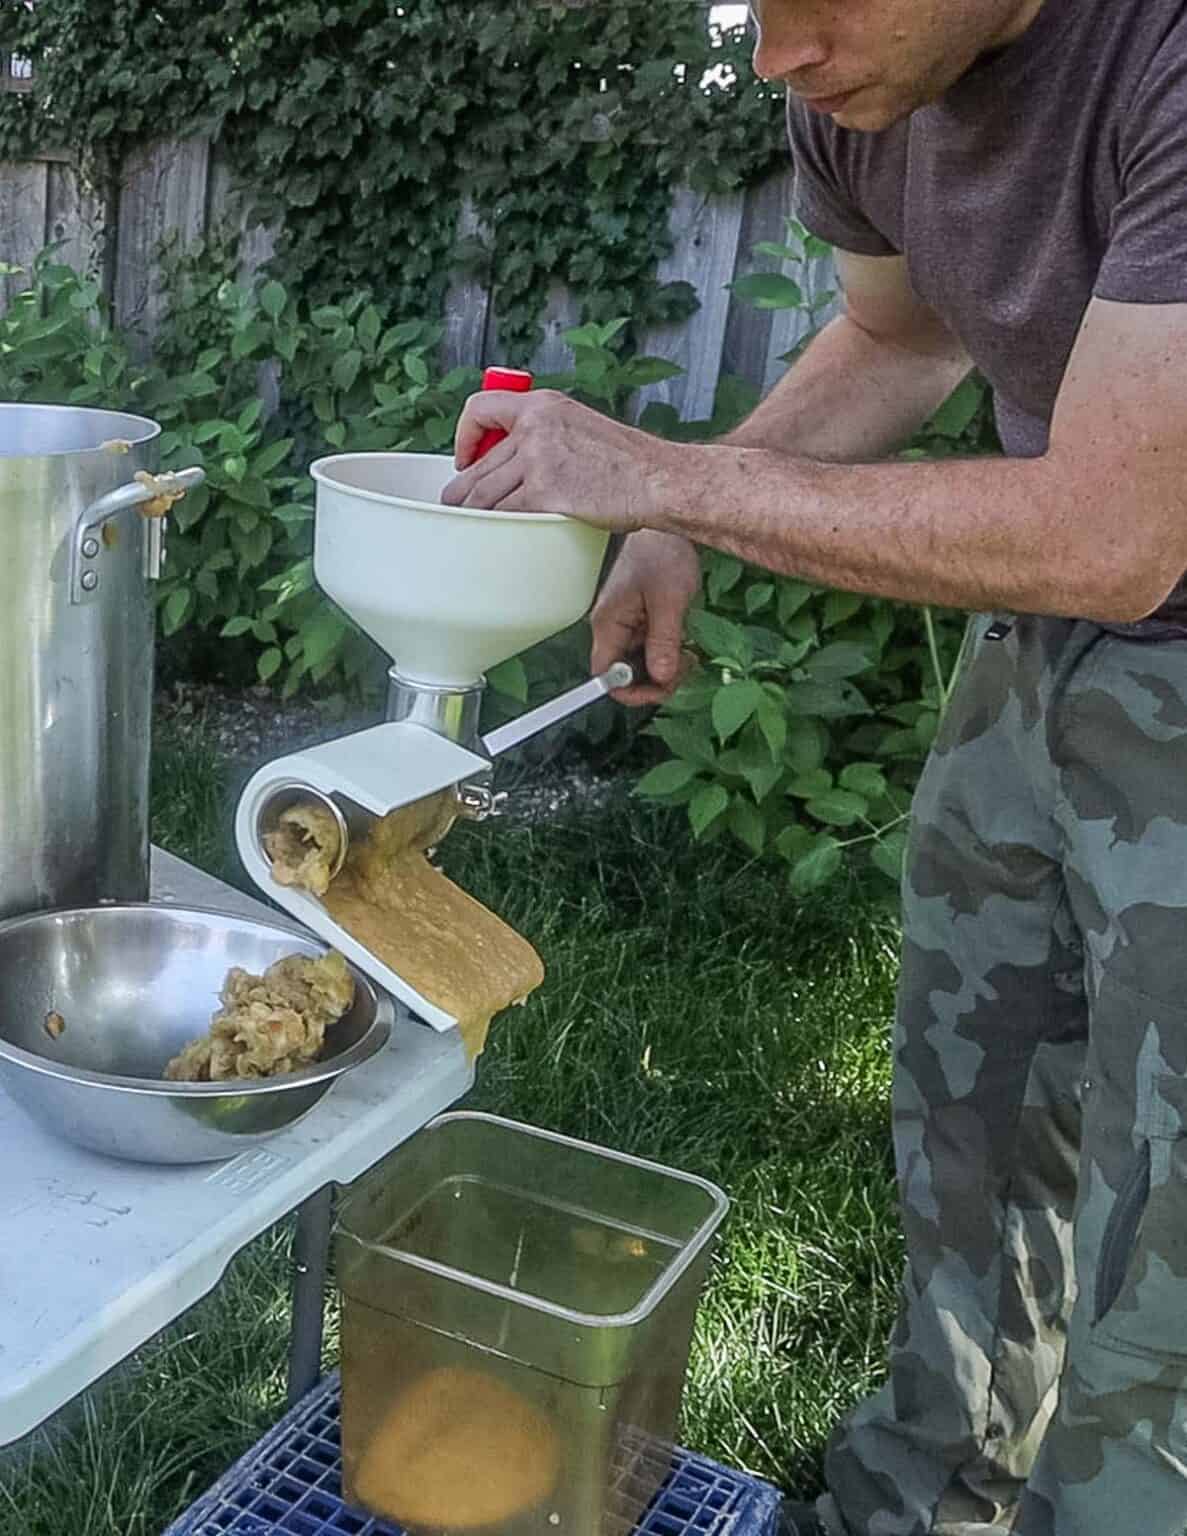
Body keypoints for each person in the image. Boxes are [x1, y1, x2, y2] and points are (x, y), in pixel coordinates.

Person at [443, 1, 1187, 1531]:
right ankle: (918, 1498)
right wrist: (672, 523)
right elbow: (898, 335)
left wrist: (664, 473)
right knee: (973, 1094)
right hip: (1040, 636)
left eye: (820, 0)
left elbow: (1117, 535)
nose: (779, 53)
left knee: (1168, 1227)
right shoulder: (867, 78)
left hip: (1118, 579)